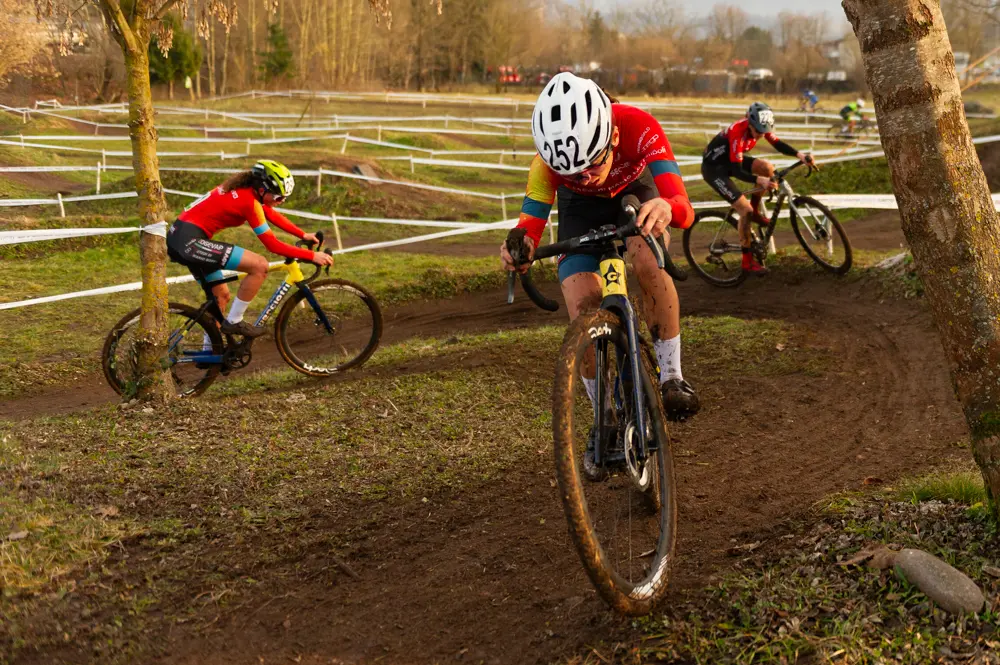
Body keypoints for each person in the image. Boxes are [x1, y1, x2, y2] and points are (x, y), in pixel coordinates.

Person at [499, 72, 699, 474]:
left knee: (645, 258)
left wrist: (667, 208)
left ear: (611, 138)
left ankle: (672, 376)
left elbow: (682, 203)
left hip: (635, 195)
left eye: (592, 164)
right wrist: (518, 247)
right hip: (580, 212)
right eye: (572, 172)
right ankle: (603, 414)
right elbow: (531, 222)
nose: (585, 176)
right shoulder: (548, 164)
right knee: (581, 304)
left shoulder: (638, 126)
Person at [166, 159, 334, 337]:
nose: (282, 201)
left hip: (180, 237)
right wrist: (311, 256)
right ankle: (235, 321)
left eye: (285, 197)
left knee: (220, 296)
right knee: (260, 266)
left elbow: (269, 212)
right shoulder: (249, 203)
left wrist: (302, 235)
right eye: (278, 197)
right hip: (190, 242)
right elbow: (272, 245)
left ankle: (212, 352)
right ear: (262, 190)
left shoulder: (244, 190)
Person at [701, 102, 815, 275]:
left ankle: (755, 211)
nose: (761, 136)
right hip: (715, 170)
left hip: (731, 161)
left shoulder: (760, 126)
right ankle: (747, 262)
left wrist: (800, 155)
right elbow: (736, 171)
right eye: (758, 132)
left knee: (767, 168)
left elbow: (777, 143)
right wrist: (759, 180)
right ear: (750, 123)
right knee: (744, 210)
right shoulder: (738, 133)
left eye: (764, 132)